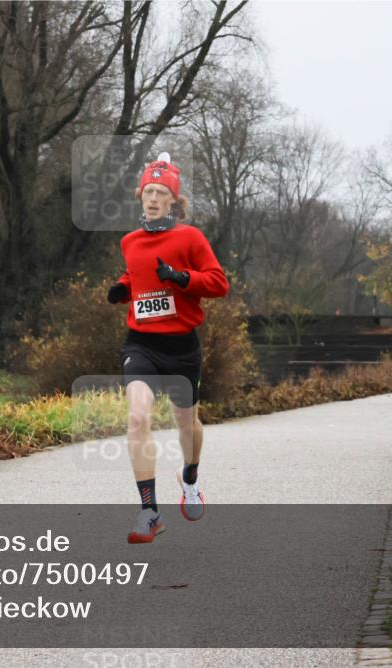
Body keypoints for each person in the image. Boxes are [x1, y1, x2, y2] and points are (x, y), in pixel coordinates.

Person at [105, 153, 229, 544]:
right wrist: (124, 287)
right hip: (141, 343)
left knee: (186, 426)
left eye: (161, 192)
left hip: (181, 348)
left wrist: (180, 278)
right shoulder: (129, 241)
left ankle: (190, 477)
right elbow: (136, 273)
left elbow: (218, 283)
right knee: (138, 418)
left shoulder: (190, 238)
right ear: (140, 195)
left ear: (174, 200)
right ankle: (149, 512)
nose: (154, 198)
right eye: (148, 191)